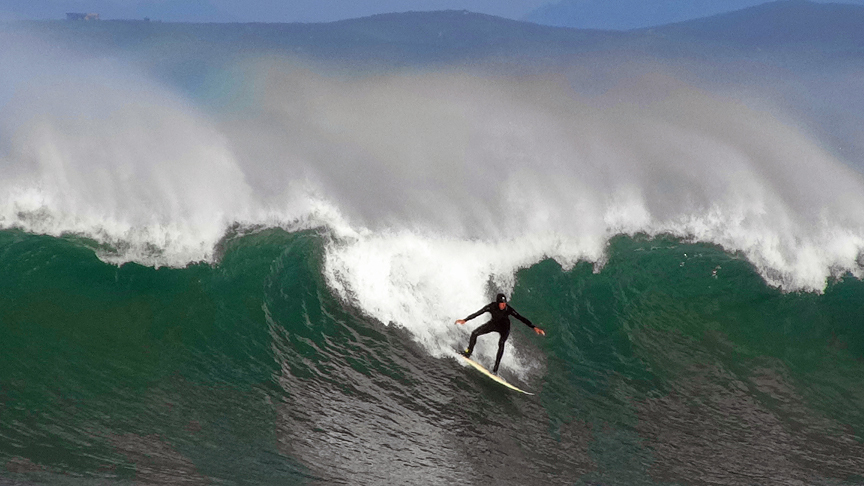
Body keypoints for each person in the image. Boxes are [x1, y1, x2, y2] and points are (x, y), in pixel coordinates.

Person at [455, 293, 545, 374]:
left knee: (501, 343)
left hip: (504, 329)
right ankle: (468, 353)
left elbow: (520, 318)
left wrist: (533, 327)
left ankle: (495, 369)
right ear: (498, 302)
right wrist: (465, 320)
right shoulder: (491, 307)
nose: (503, 305)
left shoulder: (508, 309)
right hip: (493, 324)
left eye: (505, 303)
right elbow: (478, 313)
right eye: (502, 303)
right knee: (474, 333)